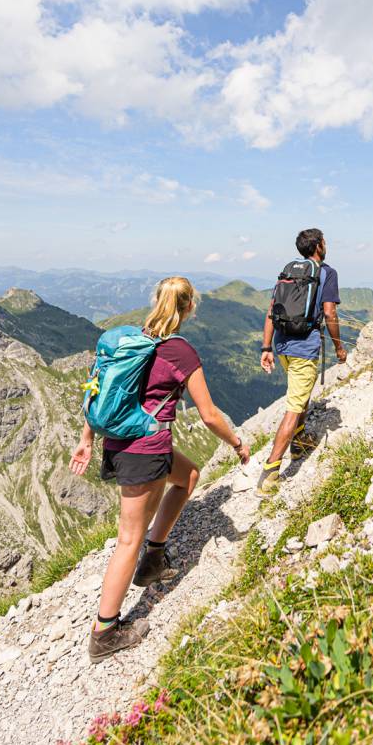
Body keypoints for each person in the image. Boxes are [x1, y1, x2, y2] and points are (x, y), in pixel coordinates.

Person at [69, 276, 250, 663]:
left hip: (122, 442)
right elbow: (209, 414)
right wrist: (236, 443)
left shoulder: (132, 339)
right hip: (145, 449)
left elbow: (97, 388)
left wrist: (87, 437)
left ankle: (153, 560)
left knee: (188, 477)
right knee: (127, 539)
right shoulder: (180, 351)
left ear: (156, 301)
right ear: (189, 308)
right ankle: (105, 632)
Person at [256, 228, 346, 496]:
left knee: (301, 394)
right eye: (325, 241)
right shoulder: (327, 273)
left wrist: (266, 346)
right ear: (318, 246)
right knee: (294, 406)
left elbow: (272, 311)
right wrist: (339, 346)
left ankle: (299, 442)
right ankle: (270, 473)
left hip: (282, 345)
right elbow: (329, 312)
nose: (326, 245)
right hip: (304, 348)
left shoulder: (288, 271)